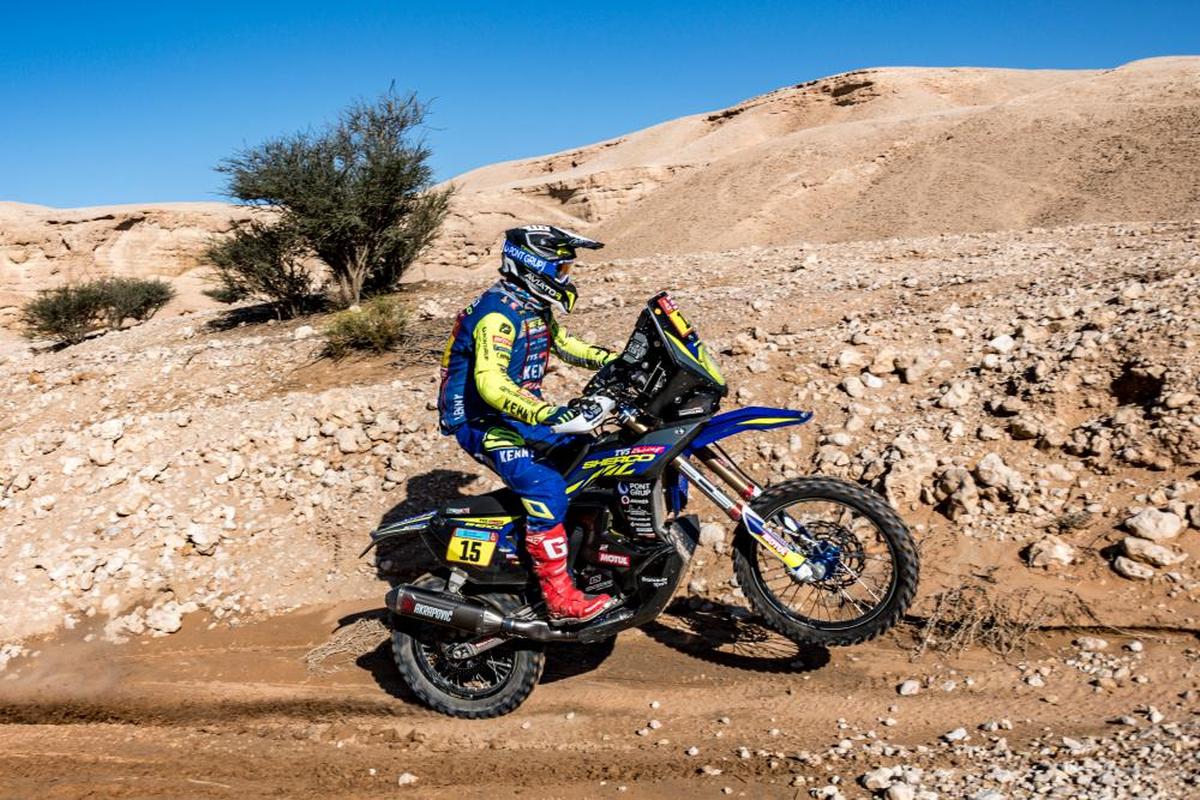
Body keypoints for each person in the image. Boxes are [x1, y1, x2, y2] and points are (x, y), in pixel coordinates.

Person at [437, 225, 620, 624]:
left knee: (588, 458)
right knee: (546, 485)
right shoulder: (497, 314)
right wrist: (546, 414)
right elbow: (491, 383)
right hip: (483, 420)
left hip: (517, 412)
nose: (566, 277)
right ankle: (558, 599)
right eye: (561, 268)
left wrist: (616, 362)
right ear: (534, 267)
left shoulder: (532, 305)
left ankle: (564, 549)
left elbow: (567, 345)